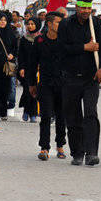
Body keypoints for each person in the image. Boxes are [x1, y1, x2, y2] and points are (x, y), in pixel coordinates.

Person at [58, 0, 101, 166]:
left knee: (90, 113)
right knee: (73, 117)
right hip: (70, 78)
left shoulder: (97, 24)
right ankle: (77, 152)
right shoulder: (65, 24)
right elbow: (61, 49)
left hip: (90, 78)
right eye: (83, 7)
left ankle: (92, 152)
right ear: (77, 7)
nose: (86, 11)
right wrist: (84, 47)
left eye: (89, 8)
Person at [28, 12, 67, 161]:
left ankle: (60, 145)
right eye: (58, 22)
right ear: (49, 24)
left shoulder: (65, 41)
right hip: (45, 84)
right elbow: (32, 64)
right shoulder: (39, 41)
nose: (60, 25)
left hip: (63, 84)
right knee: (45, 115)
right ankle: (44, 147)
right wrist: (32, 84)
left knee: (61, 116)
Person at [0, 12, 18, 123]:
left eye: (4, 20)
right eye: (0, 20)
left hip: (7, 66)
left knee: (5, 89)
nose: (2, 22)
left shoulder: (11, 33)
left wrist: (12, 54)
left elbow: (15, 47)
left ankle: (3, 112)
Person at [17, 17, 40, 123]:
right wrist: (21, 68)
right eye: (28, 24)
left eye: (32, 24)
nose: (30, 26)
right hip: (26, 69)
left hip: (38, 70)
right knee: (27, 90)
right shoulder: (24, 38)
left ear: (37, 25)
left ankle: (33, 114)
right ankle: (26, 111)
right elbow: (20, 55)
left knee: (36, 91)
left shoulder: (40, 38)